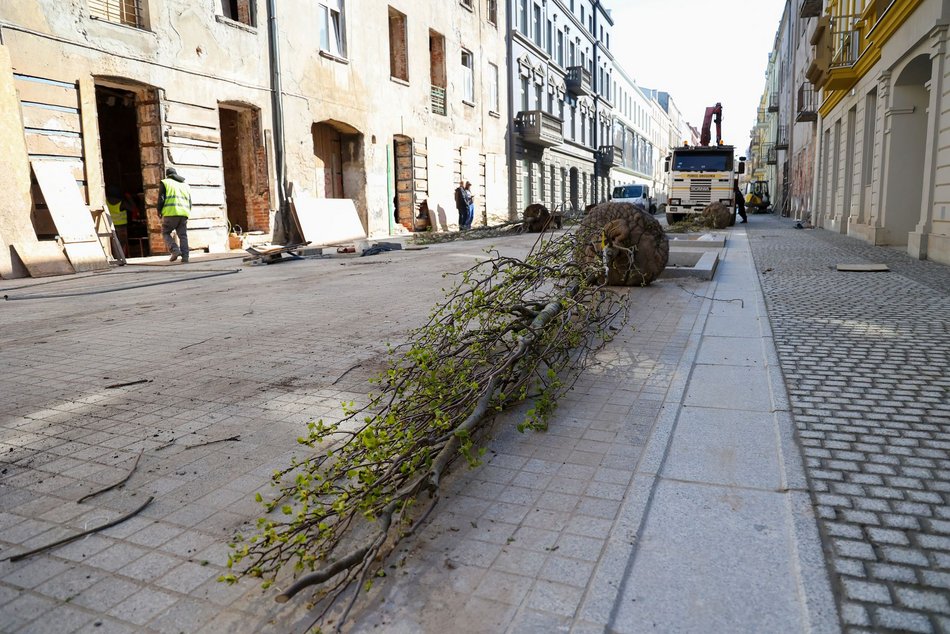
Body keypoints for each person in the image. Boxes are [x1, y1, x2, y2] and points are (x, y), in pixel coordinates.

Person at [159, 167, 192, 262]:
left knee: (165, 232)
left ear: (167, 175)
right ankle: (185, 257)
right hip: (184, 213)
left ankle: (175, 250)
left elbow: (161, 198)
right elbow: (190, 201)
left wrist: (159, 210)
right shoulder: (185, 185)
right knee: (183, 235)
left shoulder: (165, 182)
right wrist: (187, 212)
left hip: (171, 213)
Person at [105, 185, 130, 256]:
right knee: (122, 242)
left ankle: (116, 256)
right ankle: (122, 256)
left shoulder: (105, 201)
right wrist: (129, 198)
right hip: (121, 226)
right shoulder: (121, 203)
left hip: (111, 226)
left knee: (114, 242)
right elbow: (133, 208)